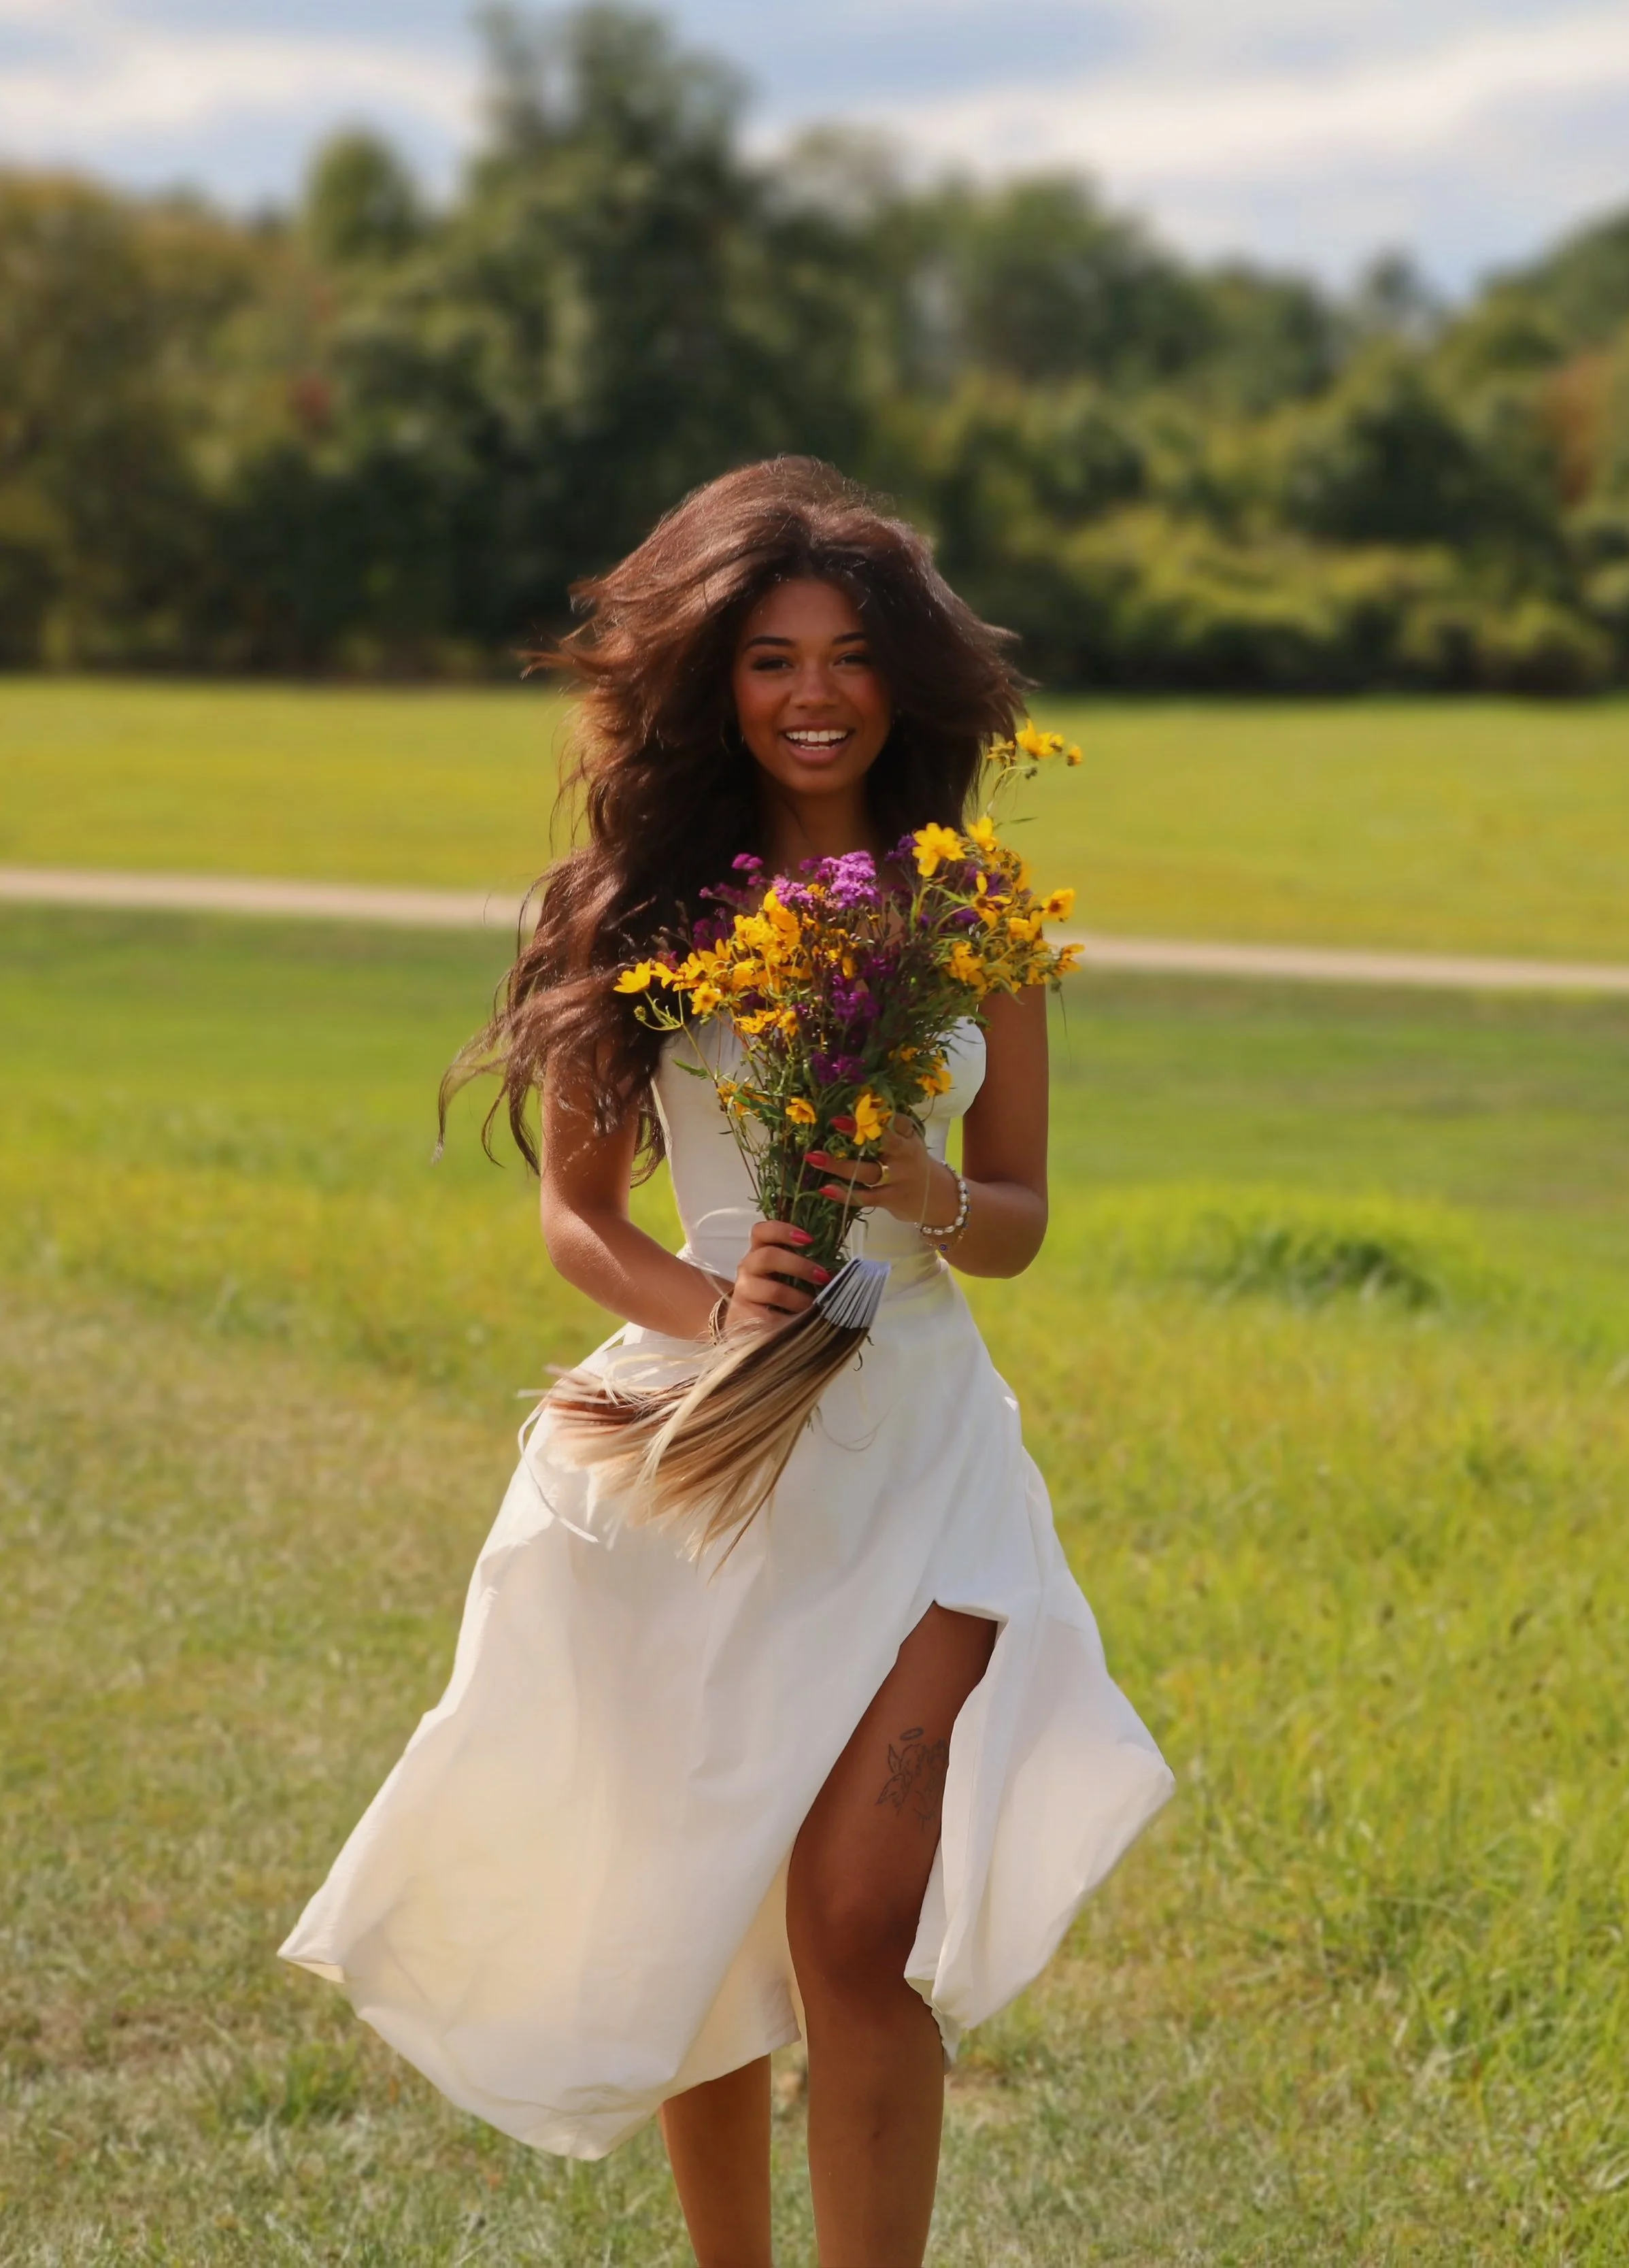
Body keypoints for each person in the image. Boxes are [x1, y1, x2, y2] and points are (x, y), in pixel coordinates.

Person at [280, 457, 1173, 2267]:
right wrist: (721, 1325)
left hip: (920, 1452)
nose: (814, 693)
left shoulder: (970, 900)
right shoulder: (639, 908)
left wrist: (925, 1186)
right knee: (699, 1896)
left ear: (902, 675)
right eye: (769, 657)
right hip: (698, 1447)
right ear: (710, 680)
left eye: (848, 654)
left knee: (853, 1918)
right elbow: (581, 1216)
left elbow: (1016, 1218)